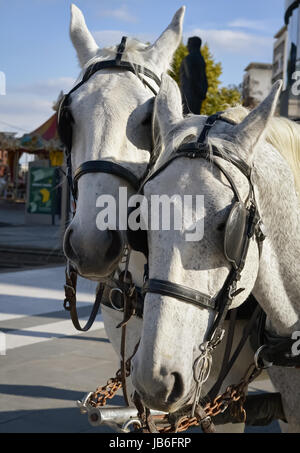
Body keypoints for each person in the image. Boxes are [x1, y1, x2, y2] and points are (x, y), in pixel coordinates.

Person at [179, 36, 208, 115]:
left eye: (188, 44)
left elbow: (190, 77)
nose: (187, 46)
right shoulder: (201, 59)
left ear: (192, 45)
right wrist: (203, 91)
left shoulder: (188, 59)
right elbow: (204, 78)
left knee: (187, 118)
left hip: (188, 95)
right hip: (198, 95)